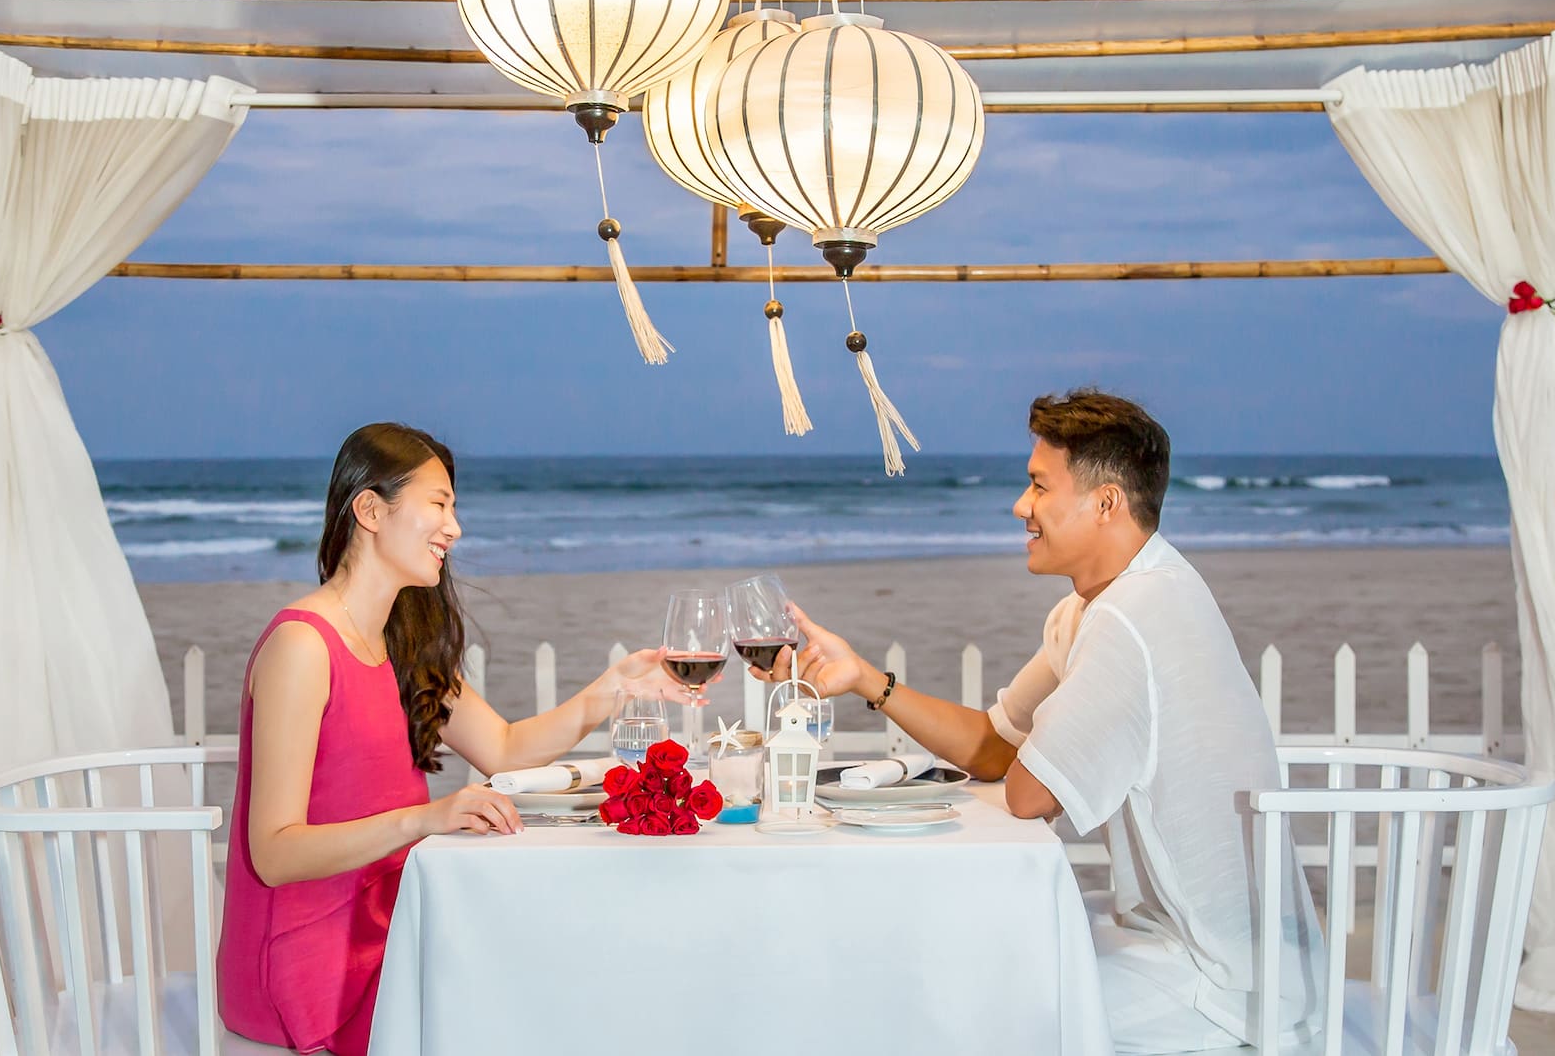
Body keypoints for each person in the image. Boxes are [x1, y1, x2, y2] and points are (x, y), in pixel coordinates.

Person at [775, 390, 1322, 1053]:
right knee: (969, 962)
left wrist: (1044, 735)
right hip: (1173, 942)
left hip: (1227, 982)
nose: (1020, 506)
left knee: (972, 1011)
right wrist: (865, 677)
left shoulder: (1135, 613)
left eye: (1038, 486)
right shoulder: (1095, 607)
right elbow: (993, 744)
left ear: (1107, 502)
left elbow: (1028, 793)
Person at [217, 423, 702, 1055]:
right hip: (312, 962)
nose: (455, 528)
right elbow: (275, 854)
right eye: (439, 504)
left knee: (571, 977)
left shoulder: (402, 645)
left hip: (395, 931)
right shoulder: (303, 646)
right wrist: (427, 818)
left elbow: (502, 748)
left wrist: (612, 689)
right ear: (369, 509)